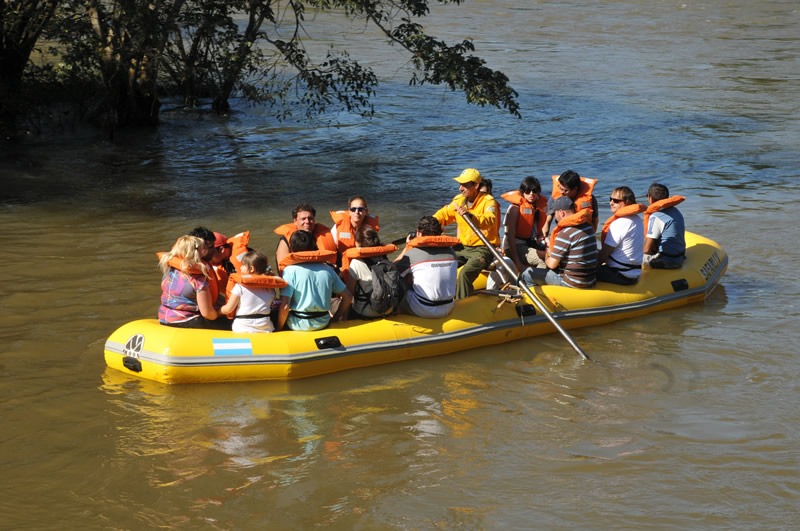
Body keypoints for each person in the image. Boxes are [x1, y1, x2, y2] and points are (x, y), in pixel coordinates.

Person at [433, 168, 500, 299]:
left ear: (475, 185)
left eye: (464, 185)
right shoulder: (458, 201)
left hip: (483, 248)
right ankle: (441, 298)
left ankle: (463, 303)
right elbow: (443, 215)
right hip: (462, 247)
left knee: (464, 273)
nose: (460, 188)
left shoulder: (488, 201)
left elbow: (489, 220)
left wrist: (471, 216)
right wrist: (428, 224)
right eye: (460, 185)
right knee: (441, 264)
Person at [277, 230, 352, 331]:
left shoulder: (289, 271)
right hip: (323, 322)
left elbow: (285, 306)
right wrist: (335, 318)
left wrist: (278, 329)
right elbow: (348, 297)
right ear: (313, 247)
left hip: (298, 325)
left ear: (291, 249)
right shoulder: (327, 269)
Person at [157, 235, 231, 330]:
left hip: (163, 317)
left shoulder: (169, 270)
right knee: (233, 323)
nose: (206, 251)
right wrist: (221, 312)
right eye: (203, 248)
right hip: (185, 320)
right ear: (196, 252)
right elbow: (208, 313)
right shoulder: (198, 279)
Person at [522, 196, 597, 288]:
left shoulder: (565, 233)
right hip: (590, 279)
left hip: (571, 281)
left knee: (527, 274)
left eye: (555, 213)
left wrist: (547, 254)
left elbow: (552, 264)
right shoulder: (588, 227)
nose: (555, 217)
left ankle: (529, 299)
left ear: (561, 213)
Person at [394, 216, 460, 318]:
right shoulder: (452, 253)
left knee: (399, 280)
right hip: (448, 306)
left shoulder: (413, 254)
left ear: (419, 233)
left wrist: (407, 247)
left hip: (424, 309)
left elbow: (391, 272)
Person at [220, 251, 286, 333]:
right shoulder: (270, 288)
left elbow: (228, 309)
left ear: (251, 269)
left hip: (242, 329)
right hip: (265, 329)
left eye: (243, 265)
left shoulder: (239, 287)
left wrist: (218, 311)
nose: (240, 268)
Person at [344, 226, 401, 319]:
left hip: (364, 314)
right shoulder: (384, 258)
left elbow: (349, 295)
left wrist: (342, 319)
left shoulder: (356, 262)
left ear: (358, 243)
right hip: (388, 311)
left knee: (335, 302)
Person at [596, 186, 645, 285]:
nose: (611, 203)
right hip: (633, 272)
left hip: (620, 274)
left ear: (627, 202)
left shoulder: (620, 223)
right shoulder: (637, 219)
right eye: (610, 199)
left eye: (616, 200)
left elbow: (604, 255)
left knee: (580, 272)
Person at [501, 176, 549, 273]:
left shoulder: (537, 207)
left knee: (552, 254)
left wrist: (542, 237)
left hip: (530, 243)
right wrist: (518, 262)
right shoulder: (515, 208)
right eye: (528, 191)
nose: (531, 194)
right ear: (522, 192)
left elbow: (537, 230)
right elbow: (510, 237)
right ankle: (533, 282)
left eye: (534, 191)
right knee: (543, 260)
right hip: (515, 246)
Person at [273, 203, 337, 271]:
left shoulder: (323, 235)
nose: (307, 221)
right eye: (303, 219)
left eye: (310, 218)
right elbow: (282, 267)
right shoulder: (285, 241)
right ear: (295, 221)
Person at [542, 170, 599, 236]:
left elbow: (595, 220)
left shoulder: (590, 200)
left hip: (582, 233)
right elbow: (549, 218)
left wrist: (591, 236)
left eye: (565, 190)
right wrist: (545, 231)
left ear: (575, 189)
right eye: (560, 188)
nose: (561, 192)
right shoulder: (556, 198)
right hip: (563, 232)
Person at [643, 183, 686, 269]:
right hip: (680, 256)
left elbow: (646, 250)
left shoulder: (656, 217)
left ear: (650, 199)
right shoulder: (675, 211)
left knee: (631, 258)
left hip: (667, 260)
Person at [330, 196, 380, 261]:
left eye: (360, 209)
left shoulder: (371, 229)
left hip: (364, 261)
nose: (356, 212)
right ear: (349, 212)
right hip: (342, 261)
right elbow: (331, 249)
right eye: (353, 209)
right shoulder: (337, 227)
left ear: (366, 211)